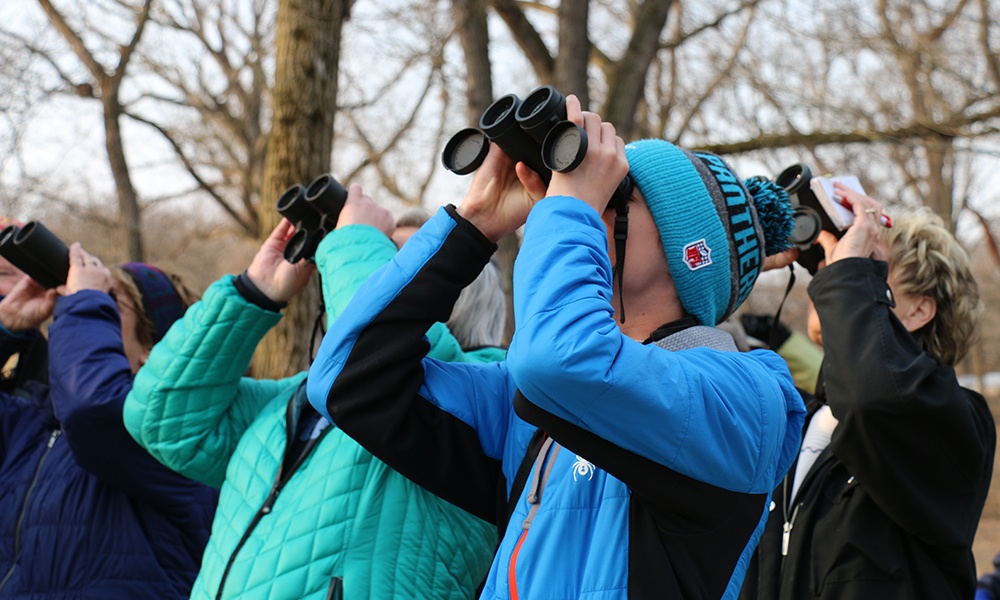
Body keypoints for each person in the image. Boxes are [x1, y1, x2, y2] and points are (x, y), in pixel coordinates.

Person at [307, 97, 806, 598]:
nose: (581, 202)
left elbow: (562, 361)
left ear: (689, 254)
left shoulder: (749, 401)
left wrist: (570, 208)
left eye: (616, 194)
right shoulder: (525, 406)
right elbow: (350, 378)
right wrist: (473, 226)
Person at [123, 185, 504, 599]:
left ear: (459, 293)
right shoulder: (293, 400)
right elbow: (161, 421)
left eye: (395, 265)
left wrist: (356, 242)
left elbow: (381, 359)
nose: (380, 274)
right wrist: (254, 293)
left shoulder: (488, 397)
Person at [739, 188, 996, 599]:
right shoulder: (794, 418)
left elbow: (873, 396)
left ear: (919, 311)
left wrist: (850, 275)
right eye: (835, 267)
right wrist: (735, 268)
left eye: (872, 272)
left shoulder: (955, 420)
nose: (831, 275)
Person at [0, 243, 217, 598]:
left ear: (153, 349)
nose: (81, 305)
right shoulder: (34, 424)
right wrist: (6, 328)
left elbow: (91, 407)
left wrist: (84, 301)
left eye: (107, 301)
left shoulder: (176, 438)